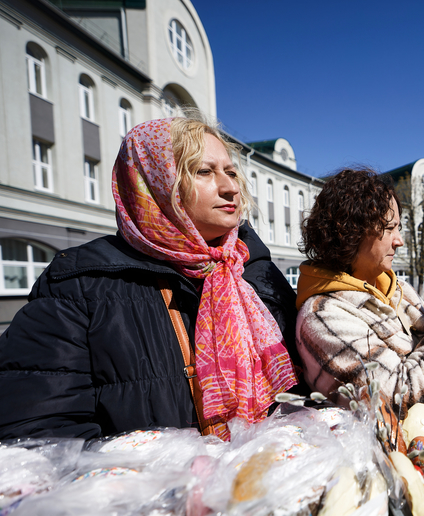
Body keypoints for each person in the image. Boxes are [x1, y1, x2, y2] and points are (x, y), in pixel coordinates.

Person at [0, 117, 301, 441]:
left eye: (231, 172)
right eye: (203, 171)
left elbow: (304, 389)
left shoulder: (254, 270)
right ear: (153, 182)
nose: (230, 188)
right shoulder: (80, 283)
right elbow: (40, 436)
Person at [295, 168, 424, 418]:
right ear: (349, 231)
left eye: (398, 228)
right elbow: (402, 399)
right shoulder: (323, 315)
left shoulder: (400, 291)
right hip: (395, 444)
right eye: (390, 228)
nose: (399, 240)